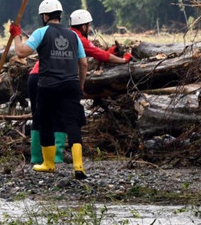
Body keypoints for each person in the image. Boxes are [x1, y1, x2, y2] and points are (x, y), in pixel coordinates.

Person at [27, 9, 134, 165]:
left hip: (35, 76)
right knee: (61, 117)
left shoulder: (62, 34)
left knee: (40, 117)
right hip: (51, 79)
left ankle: (36, 157)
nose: (89, 29)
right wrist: (123, 60)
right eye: (88, 26)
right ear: (84, 26)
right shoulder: (76, 37)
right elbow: (97, 56)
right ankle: (56, 157)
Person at [12, 0, 88, 179]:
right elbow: (83, 63)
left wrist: (16, 34)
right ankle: (78, 166)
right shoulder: (74, 35)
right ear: (60, 15)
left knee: (45, 121)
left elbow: (21, 52)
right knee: (72, 123)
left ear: (45, 16)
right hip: (70, 84)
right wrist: (80, 85)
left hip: (48, 84)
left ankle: (48, 164)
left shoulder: (41, 32)